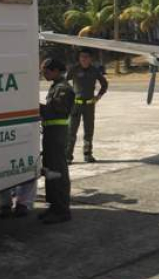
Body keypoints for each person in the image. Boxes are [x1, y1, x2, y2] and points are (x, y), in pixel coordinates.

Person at [39, 58, 74, 224]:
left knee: (58, 172)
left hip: (57, 135)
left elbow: (57, 111)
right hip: (51, 133)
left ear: (55, 70)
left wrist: (35, 106)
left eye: (45, 70)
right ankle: (54, 206)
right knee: (50, 170)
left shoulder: (63, 88)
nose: (43, 74)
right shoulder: (55, 86)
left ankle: (62, 210)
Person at [66, 49, 108, 164]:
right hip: (76, 105)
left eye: (86, 57)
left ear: (90, 59)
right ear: (79, 59)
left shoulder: (94, 70)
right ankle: (68, 156)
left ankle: (88, 154)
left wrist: (98, 96)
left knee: (89, 131)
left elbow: (104, 84)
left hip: (89, 105)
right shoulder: (74, 70)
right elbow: (64, 81)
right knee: (71, 131)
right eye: (81, 57)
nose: (83, 59)